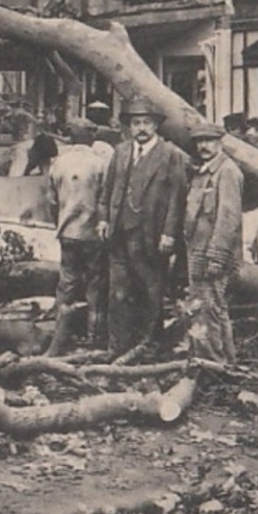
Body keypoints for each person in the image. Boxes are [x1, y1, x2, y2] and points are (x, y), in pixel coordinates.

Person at [97, 97, 187, 355]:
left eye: (147, 122)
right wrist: (104, 218)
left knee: (151, 291)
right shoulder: (121, 151)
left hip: (151, 235)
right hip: (119, 234)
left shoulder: (170, 155)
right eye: (136, 123)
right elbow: (108, 189)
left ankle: (150, 344)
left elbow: (176, 199)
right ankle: (118, 347)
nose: (142, 128)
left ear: (156, 125)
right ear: (129, 126)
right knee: (118, 292)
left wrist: (169, 233)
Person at [184, 124, 243, 365]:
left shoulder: (227, 171)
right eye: (200, 141)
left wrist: (217, 256)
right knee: (209, 309)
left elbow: (228, 217)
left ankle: (214, 363)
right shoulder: (205, 172)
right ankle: (223, 362)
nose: (204, 146)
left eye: (209, 141)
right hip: (198, 251)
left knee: (211, 309)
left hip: (212, 253)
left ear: (221, 142)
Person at [47, 120, 106, 352]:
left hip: (68, 233)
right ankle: (94, 336)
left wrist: (60, 224)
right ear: (90, 136)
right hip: (93, 234)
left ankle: (60, 336)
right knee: (95, 285)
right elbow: (105, 199)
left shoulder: (58, 163)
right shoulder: (100, 163)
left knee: (67, 285)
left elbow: (51, 201)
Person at [223, 112, 258, 269]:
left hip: (250, 203)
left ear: (241, 130)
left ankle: (249, 281)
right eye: (228, 129)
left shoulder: (243, 148)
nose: (230, 133)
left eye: (233, 129)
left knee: (245, 243)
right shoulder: (252, 145)